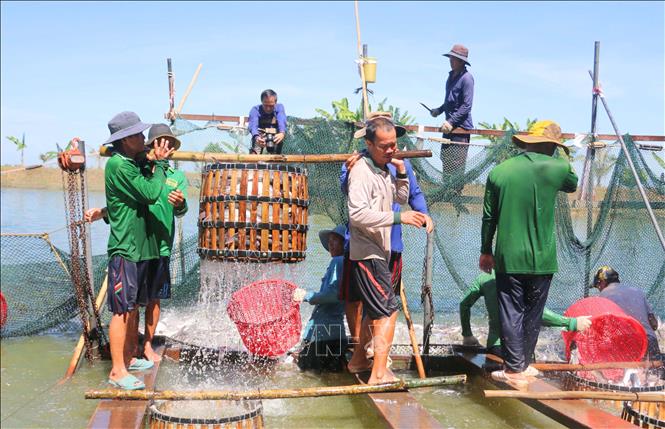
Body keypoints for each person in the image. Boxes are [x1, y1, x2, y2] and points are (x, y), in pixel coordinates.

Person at [479, 120, 578, 388]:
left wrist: (485, 251)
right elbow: (573, 184)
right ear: (552, 145)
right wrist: (563, 154)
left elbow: (489, 217)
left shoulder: (500, 171)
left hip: (508, 256)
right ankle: (523, 365)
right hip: (543, 258)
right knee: (533, 311)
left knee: (511, 310)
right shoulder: (559, 167)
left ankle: (514, 369)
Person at [86, 124, 188, 364]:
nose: (166, 148)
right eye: (160, 143)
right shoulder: (137, 169)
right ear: (151, 146)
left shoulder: (177, 176)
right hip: (136, 247)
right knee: (129, 306)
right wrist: (102, 212)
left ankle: (147, 346)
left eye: (170, 144)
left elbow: (182, 211)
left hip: (160, 244)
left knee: (153, 299)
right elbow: (129, 204)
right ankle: (129, 352)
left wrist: (180, 203)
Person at [339, 112, 434, 349]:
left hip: (391, 243)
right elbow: (349, 196)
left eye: (393, 143)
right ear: (369, 143)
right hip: (361, 243)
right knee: (355, 298)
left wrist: (424, 215)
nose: (390, 149)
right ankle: (359, 345)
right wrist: (351, 168)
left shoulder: (402, 164)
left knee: (383, 303)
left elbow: (411, 194)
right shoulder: (355, 163)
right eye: (384, 145)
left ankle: (372, 352)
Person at [101, 111, 173, 390]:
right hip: (125, 249)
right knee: (121, 311)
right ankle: (117, 371)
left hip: (139, 249)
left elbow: (145, 174)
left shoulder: (133, 162)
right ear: (125, 139)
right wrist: (161, 164)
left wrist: (151, 160)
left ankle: (129, 359)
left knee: (132, 308)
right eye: (139, 135)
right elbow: (150, 193)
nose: (144, 139)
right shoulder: (119, 166)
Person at [460, 271, 592, 366]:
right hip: (519, 352)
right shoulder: (519, 279)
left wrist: (467, 335)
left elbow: (464, 304)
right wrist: (572, 323)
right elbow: (539, 313)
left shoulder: (484, 278)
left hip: (495, 347)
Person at [292, 225, 347, 372]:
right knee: (331, 375)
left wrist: (306, 295)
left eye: (335, 240)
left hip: (323, 334)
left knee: (309, 373)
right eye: (329, 241)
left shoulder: (338, 262)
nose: (331, 244)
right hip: (333, 332)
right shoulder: (344, 262)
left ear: (345, 244)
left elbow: (334, 295)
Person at [430, 44, 474, 189]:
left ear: (461, 61)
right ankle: (446, 192)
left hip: (460, 129)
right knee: (446, 159)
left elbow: (467, 106)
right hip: (448, 128)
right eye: (450, 58)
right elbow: (449, 101)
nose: (450, 60)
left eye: (454, 58)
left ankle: (456, 195)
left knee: (457, 164)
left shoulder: (467, 78)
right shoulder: (450, 77)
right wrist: (439, 110)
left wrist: (451, 121)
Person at [592, 265, 661, 359]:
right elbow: (654, 324)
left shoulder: (603, 296)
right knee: (656, 372)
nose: (598, 289)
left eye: (597, 285)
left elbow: (600, 328)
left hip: (627, 343)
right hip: (649, 340)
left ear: (603, 282)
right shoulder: (637, 291)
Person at [248, 89, 287, 155]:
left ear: (275, 103)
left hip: (275, 136)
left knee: (276, 158)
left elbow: (282, 120)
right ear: (262, 102)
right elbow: (253, 125)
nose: (268, 108)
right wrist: (257, 137)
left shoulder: (279, 107)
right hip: (260, 136)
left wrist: (282, 133)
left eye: (271, 106)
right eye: (265, 105)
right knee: (254, 157)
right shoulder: (255, 110)